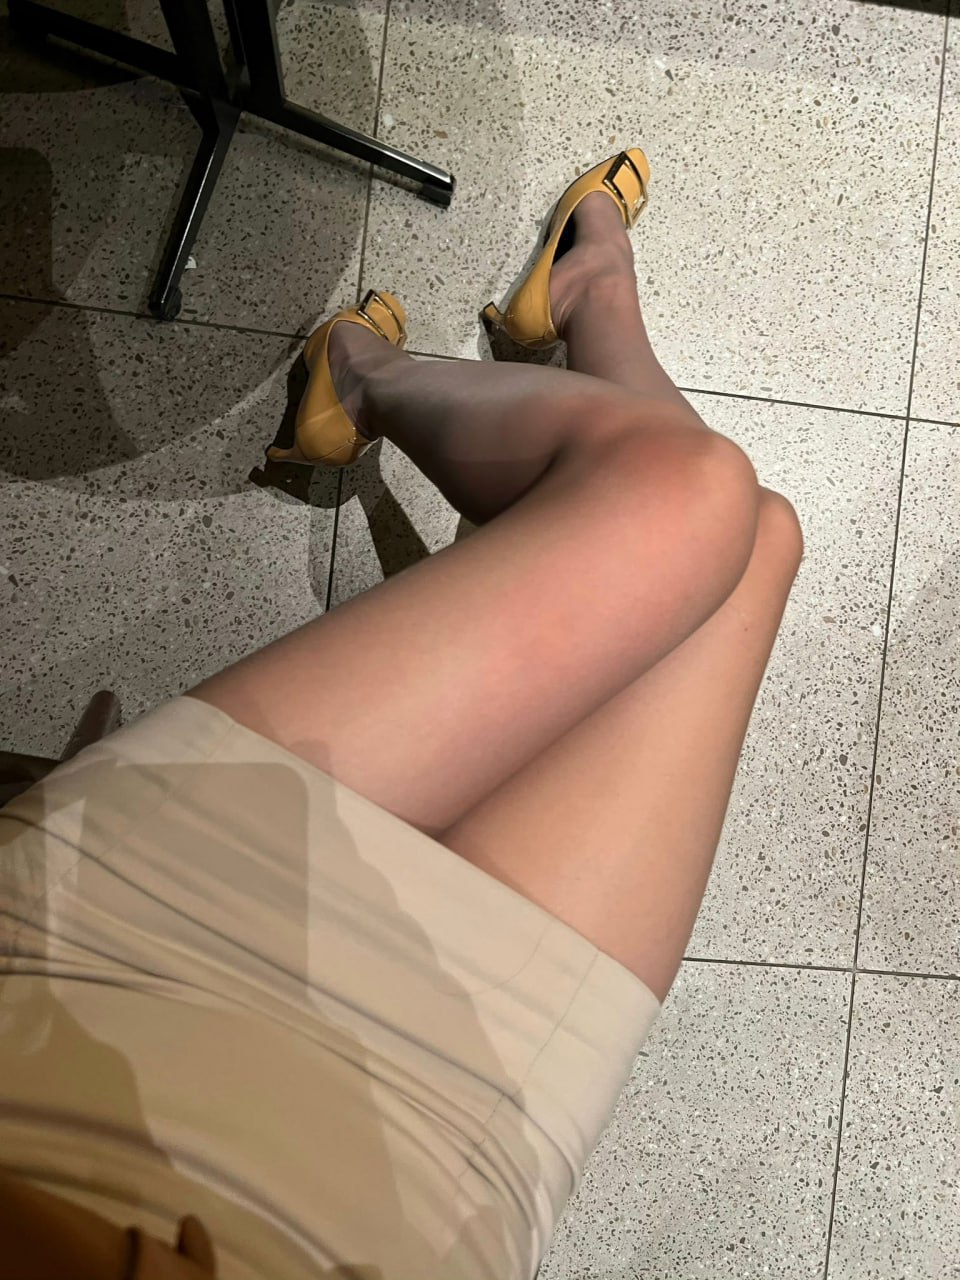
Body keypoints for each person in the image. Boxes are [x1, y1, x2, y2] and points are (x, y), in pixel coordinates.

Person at [0, 149, 803, 1279]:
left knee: (690, 496)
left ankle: (389, 371)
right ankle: (546, 318)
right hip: (435, 1192)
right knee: (753, 534)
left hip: (90, 1086)